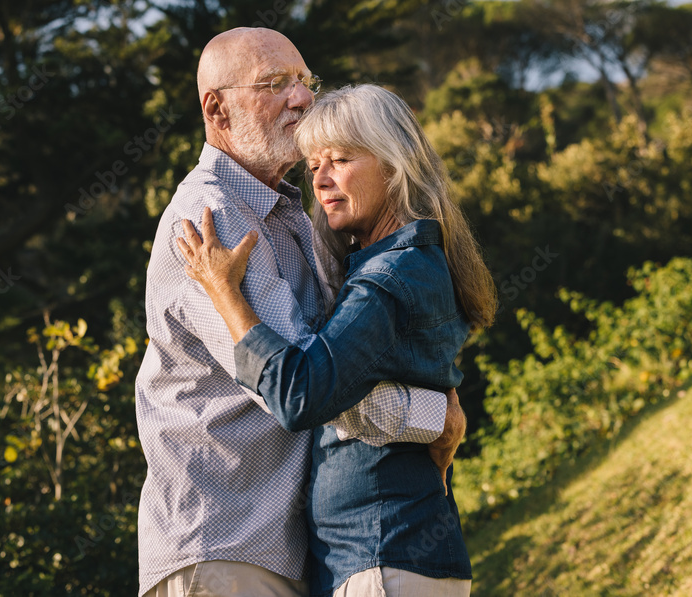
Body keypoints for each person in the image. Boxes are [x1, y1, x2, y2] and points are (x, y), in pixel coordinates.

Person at [135, 30, 466, 597]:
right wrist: (433, 415)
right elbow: (301, 388)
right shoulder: (213, 217)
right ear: (216, 108)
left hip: (285, 548)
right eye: (274, 84)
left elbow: (337, 364)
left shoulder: (291, 213)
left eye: (304, 81)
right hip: (223, 541)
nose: (302, 99)